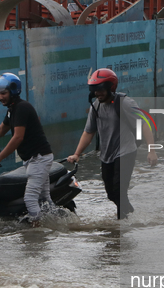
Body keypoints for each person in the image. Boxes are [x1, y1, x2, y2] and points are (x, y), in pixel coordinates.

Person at [67, 68, 158, 219]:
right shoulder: (95, 107)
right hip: (107, 155)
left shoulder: (125, 103)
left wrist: (152, 150)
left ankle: (121, 228)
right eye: (95, 90)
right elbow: (89, 132)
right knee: (111, 194)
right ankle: (132, 217)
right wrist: (77, 154)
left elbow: (144, 125)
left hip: (126, 152)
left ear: (111, 87)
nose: (98, 93)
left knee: (119, 190)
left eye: (101, 90)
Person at [0, 73, 54, 226]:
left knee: (30, 198)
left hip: (38, 158)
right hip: (36, 158)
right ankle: (56, 224)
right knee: (44, 198)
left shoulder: (21, 108)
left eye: (3, 93)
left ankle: (37, 231)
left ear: (13, 91)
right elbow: (1, 130)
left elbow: (18, 137)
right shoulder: (12, 109)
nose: (0, 97)